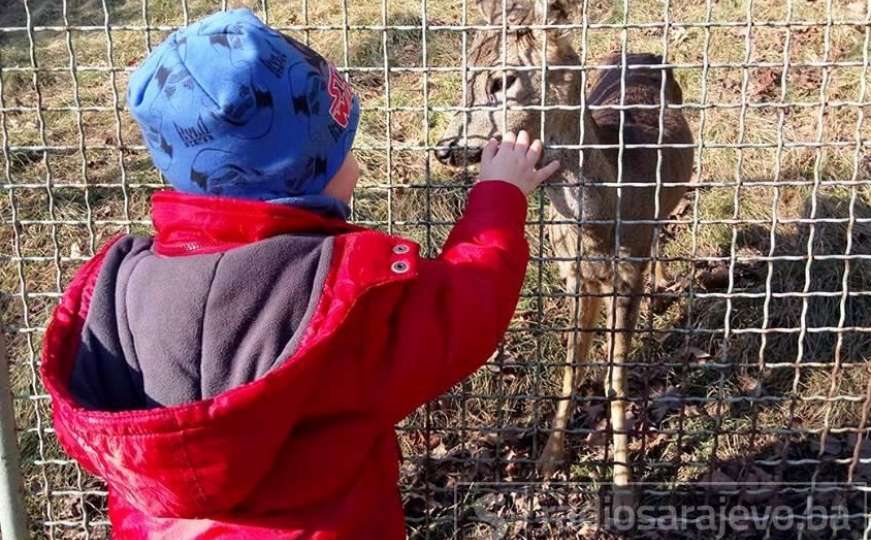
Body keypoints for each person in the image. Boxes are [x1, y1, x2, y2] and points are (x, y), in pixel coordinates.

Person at [41, 8, 559, 539]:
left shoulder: (117, 291)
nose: (355, 163)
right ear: (301, 174)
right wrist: (499, 196)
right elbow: (463, 308)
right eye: (341, 150)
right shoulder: (340, 298)